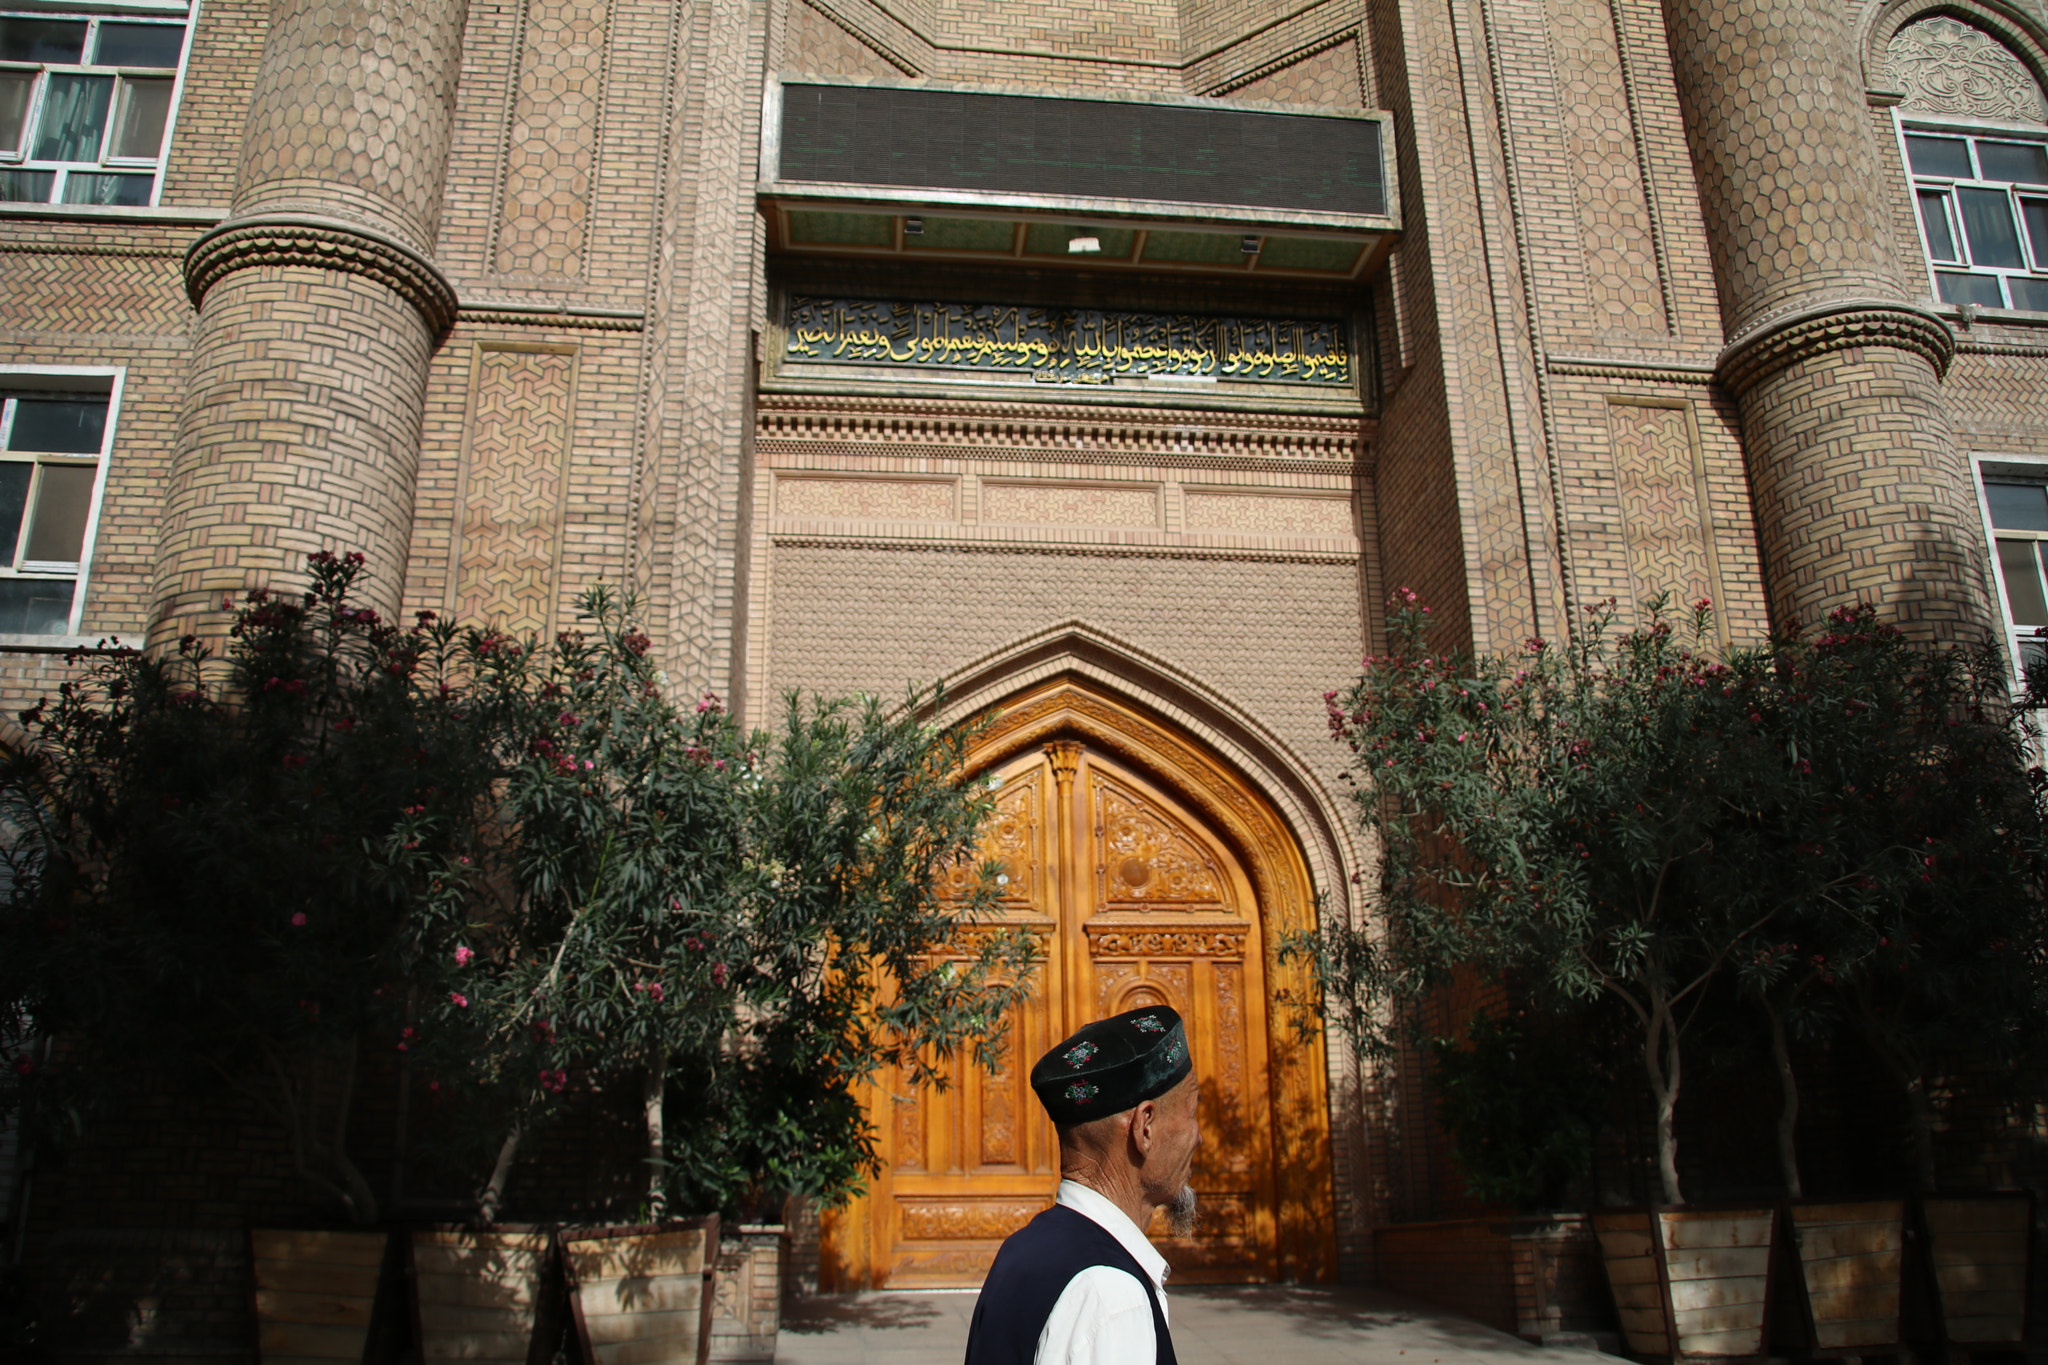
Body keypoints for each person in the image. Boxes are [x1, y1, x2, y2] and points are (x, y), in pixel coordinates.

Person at [963, 1004, 1202, 1365]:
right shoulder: (1112, 1295)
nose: (1198, 1137)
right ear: (1145, 1127)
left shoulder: (1023, 1249)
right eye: (1192, 1113)